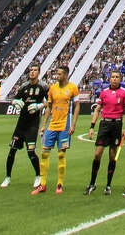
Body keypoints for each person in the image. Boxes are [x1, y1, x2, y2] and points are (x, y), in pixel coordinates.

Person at [32, 65, 80, 195]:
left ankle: (60, 184)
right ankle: (42, 184)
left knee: (61, 154)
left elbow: (76, 107)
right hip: (52, 125)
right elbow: (49, 107)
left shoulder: (72, 88)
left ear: (65, 75)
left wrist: (73, 125)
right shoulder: (52, 88)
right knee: (44, 153)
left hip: (64, 125)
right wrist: (44, 124)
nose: (56, 76)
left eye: (59, 74)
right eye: (56, 74)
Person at [1, 65, 46, 189]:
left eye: (35, 70)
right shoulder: (23, 86)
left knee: (31, 151)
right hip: (21, 123)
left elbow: (50, 101)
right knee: (12, 151)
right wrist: (16, 102)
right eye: (31, 70)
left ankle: (38, 176)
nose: (32, 72)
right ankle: (7, 177)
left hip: (33, 124)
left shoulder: (43, 86)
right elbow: (15, 99)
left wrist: (39, 106)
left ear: (39, 72)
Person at [85, 70, 125, 195]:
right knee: (97, 154)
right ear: (109, 79)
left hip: (117, 124)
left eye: (117, 77)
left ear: (120, 79)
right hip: (105, 124)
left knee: (112, 156)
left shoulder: (124, 93)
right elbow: (97, 110)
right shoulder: (104, 93)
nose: (115, 79)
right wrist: (92, 126)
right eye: (113, 77)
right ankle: (92, 184)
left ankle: (108, 185)